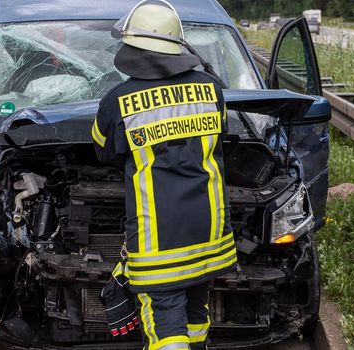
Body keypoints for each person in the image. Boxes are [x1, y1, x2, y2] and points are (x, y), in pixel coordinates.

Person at [92, 1, 237, 349]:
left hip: (159, 242)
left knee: (164, 322)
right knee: (195, 309)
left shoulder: (119, 99)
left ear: (134, 49)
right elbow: (222, 135)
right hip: (209, 233)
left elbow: (103, 149)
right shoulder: (211, 89)